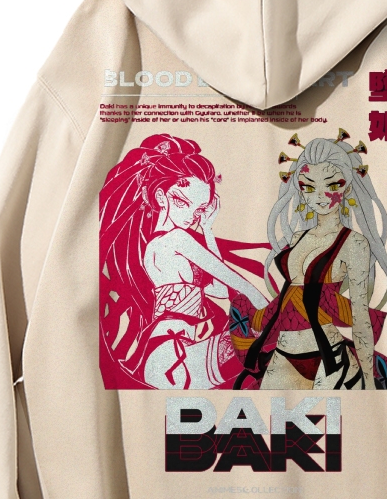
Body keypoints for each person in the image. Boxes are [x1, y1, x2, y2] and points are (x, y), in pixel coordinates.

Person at [229, 129, 387, 390]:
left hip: (330, 358)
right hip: (283, 353)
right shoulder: (297, 237)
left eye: (332, 185)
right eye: (308, 187)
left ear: (347, 186)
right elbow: (287, 298)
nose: (320, 196)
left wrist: (368, 380)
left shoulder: (354, 243)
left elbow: (360, 316)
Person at [98, 134, 269, 389]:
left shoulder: (164, 246)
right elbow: (232, 280)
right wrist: (270, 313)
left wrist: (207, 229)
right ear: (160, 197)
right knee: (273, 347)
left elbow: (221, 289)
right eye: (183, 202)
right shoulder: (176, 239)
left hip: (174, 352)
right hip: (173, 354)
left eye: (199, 209)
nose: (191, 216)